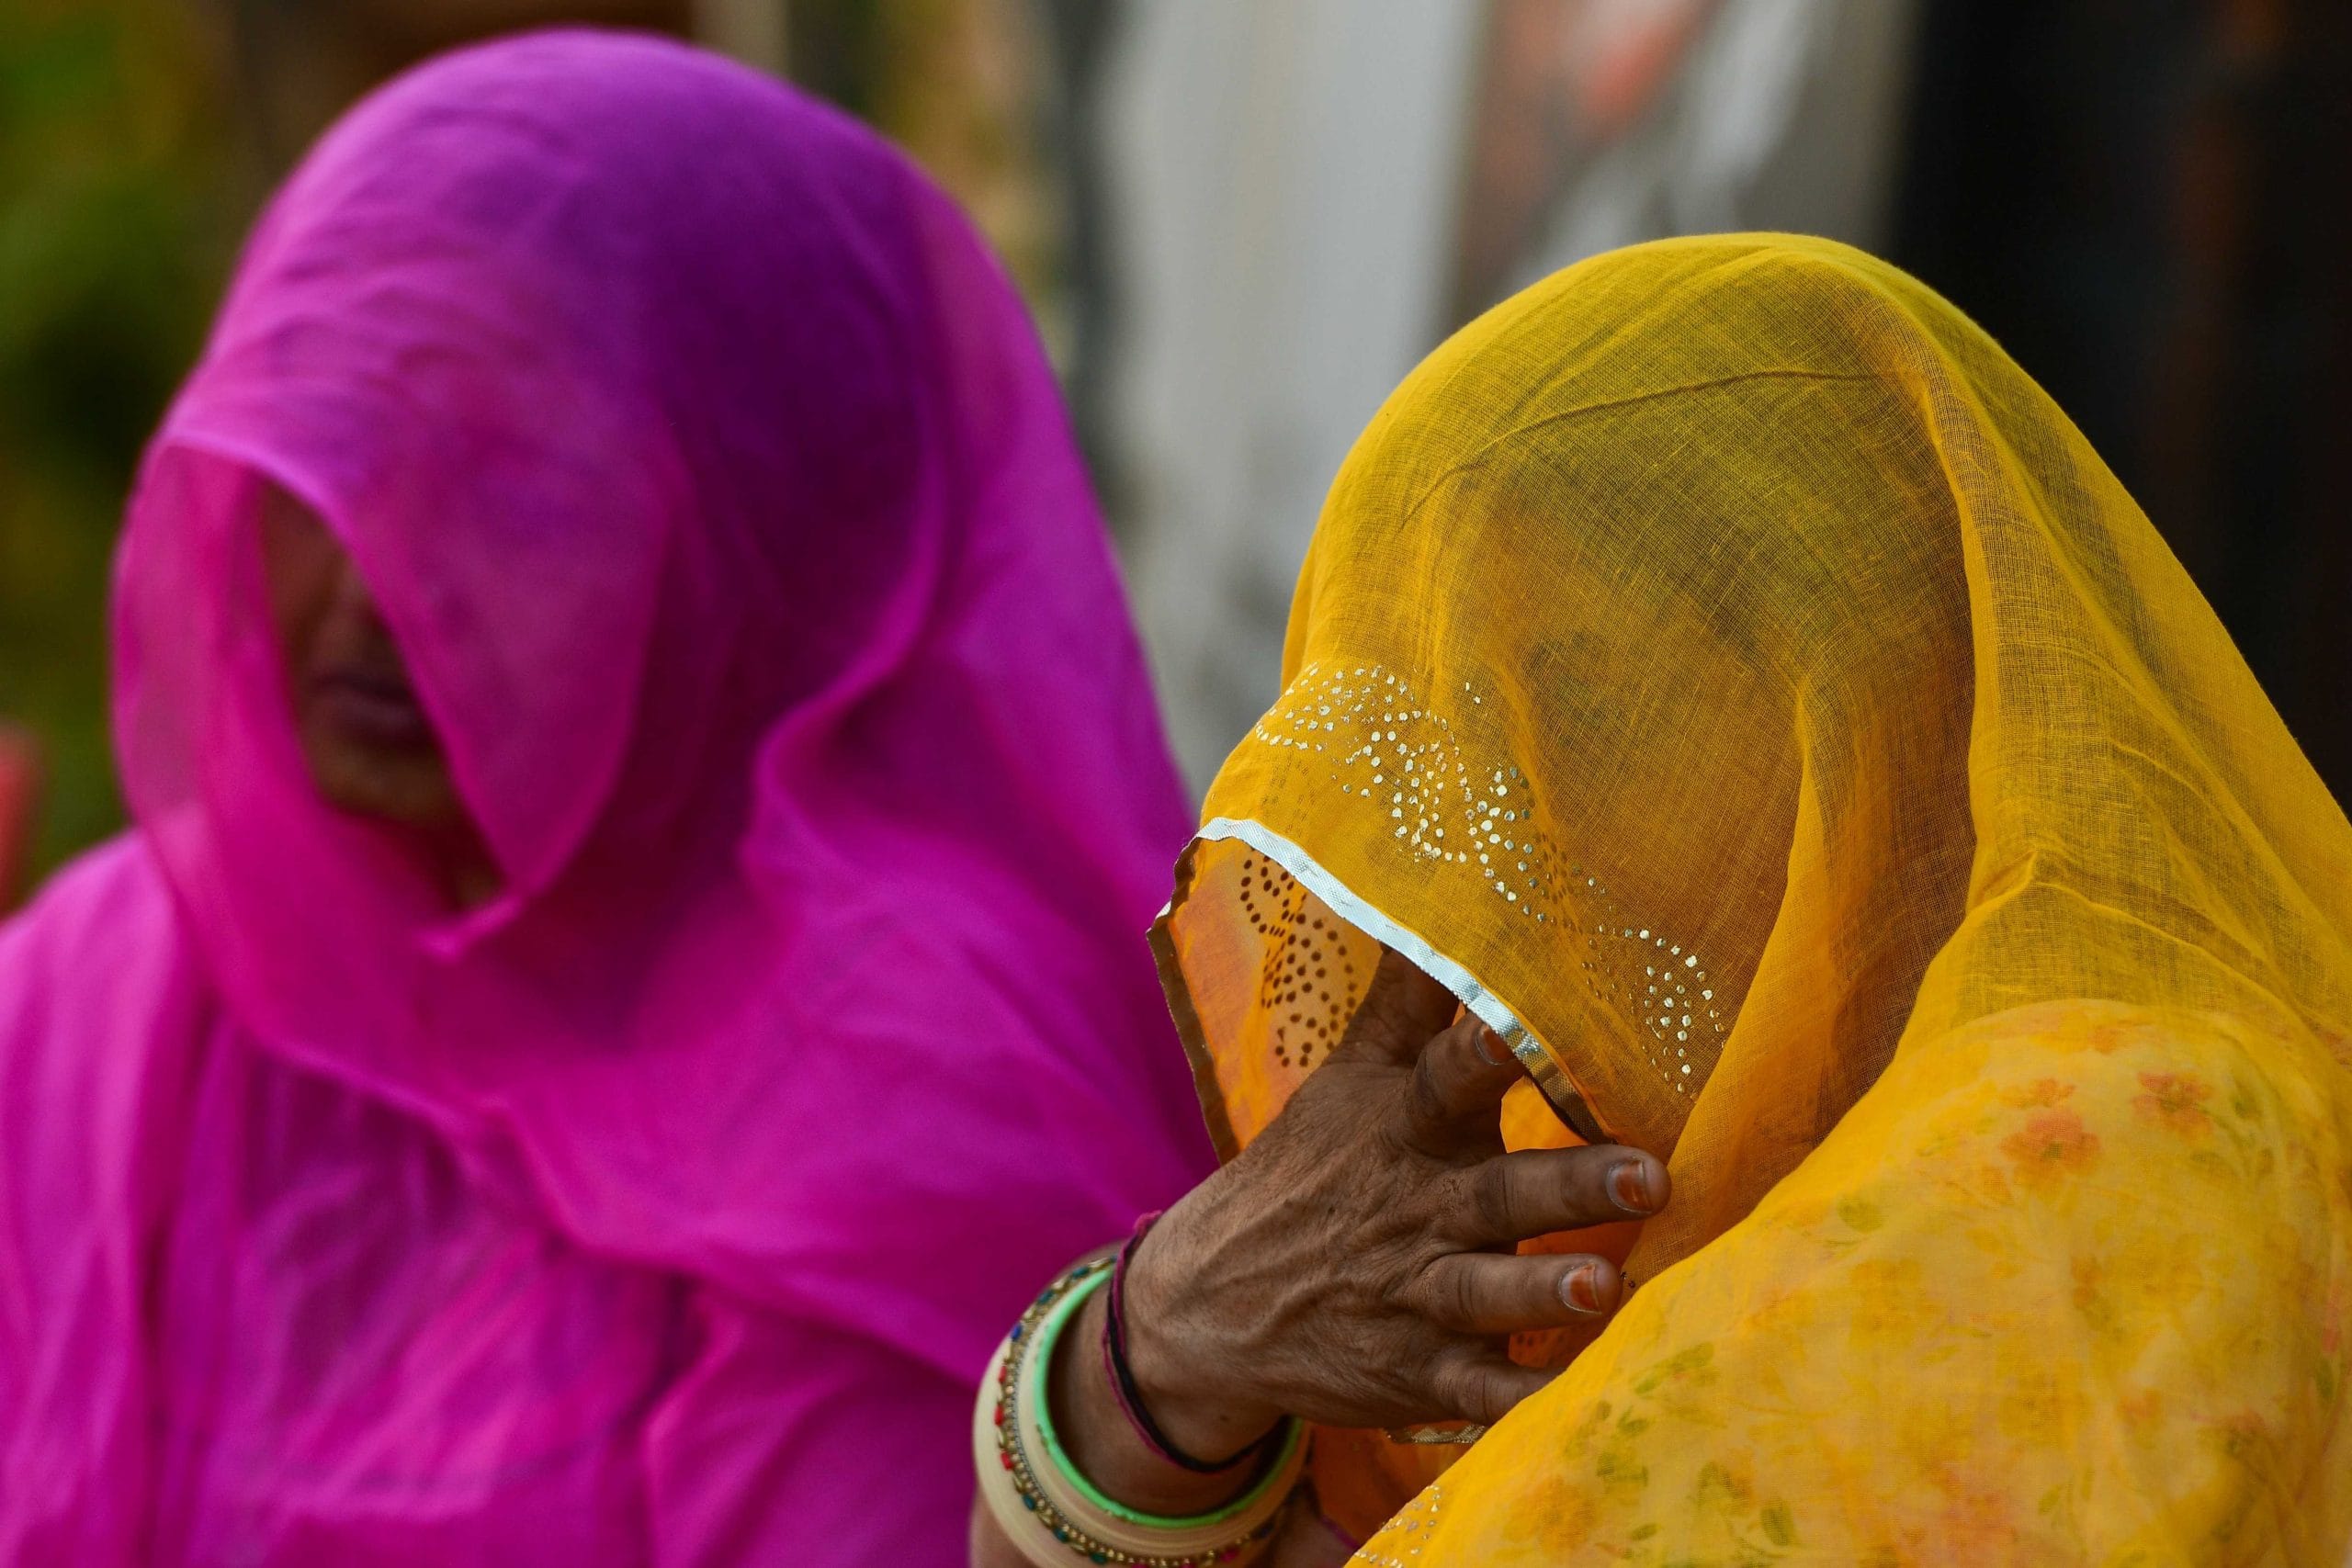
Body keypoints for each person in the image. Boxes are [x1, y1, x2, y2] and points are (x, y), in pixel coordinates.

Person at [0, 31, 1220, 1564]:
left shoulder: (919, 1095)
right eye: (340, 445)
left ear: (755, 536)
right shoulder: (120, 988)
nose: (382, 577)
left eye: (512, 481)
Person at [972, 235, 2352, 1565]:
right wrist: (1156, 1343)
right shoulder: (1525, 1218)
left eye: (1587, 708)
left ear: (1882, 692)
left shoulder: (2118, 1144)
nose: (1469, 852)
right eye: (1428, 749)